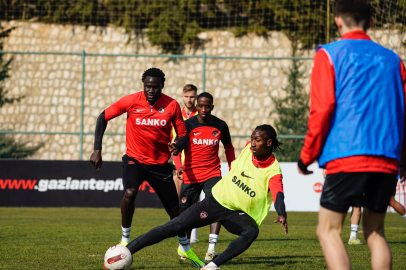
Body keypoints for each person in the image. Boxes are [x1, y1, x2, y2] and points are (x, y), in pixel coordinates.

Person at [298, 1, 406, 269]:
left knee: (328, 231)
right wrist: (402, 159)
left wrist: (307, 156)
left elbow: (322, 109)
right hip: (386, 159)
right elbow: (402, 113)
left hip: (348, 156)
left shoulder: (329, 54)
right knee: (375, 232)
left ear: (337, 21)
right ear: (371, 22)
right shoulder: (393, 59)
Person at [124, 125, 288, 270]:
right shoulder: (248, 149)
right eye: (252, 139)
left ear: (269, 143)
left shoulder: (273, 171)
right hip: (215, 201)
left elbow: (278, 194)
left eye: (257, 140)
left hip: (237, 214)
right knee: (174, 226)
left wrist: (282, 213)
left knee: (252, 231)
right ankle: (127, 250)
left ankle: (212, 266)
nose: (252, 143)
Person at [90, 67, 205, 267]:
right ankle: (125, 238)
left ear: (162, 86)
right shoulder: (131, 100)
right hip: (134, 160)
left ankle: (185, 249)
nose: (151, 90)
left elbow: (183, 133)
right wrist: (97, 149)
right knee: (130, 191)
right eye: (147, 86)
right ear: (143, 85)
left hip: (160, 165)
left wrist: (177, 145)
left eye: (155, 87)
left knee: (175, 213)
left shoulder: (172, 105)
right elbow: (103, 117)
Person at [174, 92, 236, 262]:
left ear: (212, 107)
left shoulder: (221, 125)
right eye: (200, 106)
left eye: (206, 106)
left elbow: (229, 149)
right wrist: (179, 167)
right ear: (197, 106)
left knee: (216, 206)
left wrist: (233, 169)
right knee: (184, 213)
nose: (203, 109)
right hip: (191, 175)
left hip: (212, 174)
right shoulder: (187, 125)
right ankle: (184, 247)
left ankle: (211, 249)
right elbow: (176, 150)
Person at [171, 84, 200, 244]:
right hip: (180, 166)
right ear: (182, 97)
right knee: (181, 201)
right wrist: (177, 166)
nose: (189, 99)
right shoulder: (176, 116)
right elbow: (174, 144)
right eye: (187, 96)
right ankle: (183, 234)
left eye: (192, 96)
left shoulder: (201, 114)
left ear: (195, 97)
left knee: (195, 201)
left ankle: (193, 234)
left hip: (196, 165)